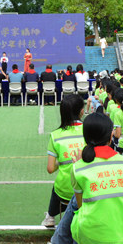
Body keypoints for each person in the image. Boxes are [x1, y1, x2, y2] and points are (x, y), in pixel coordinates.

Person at [33, 113, 123, 244]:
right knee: (83, 209)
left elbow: (81, 207)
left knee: (78, 212)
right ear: (110, 135)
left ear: (85, 137)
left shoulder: (80, 168)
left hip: (94, 234)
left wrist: (77, 165)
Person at [42, 95, 85, 228]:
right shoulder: (89, 130)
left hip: (65, 191)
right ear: (82, 111)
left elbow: (50, 169)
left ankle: (50, 216)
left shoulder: (55, 135)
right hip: (87, 189)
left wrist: (62, 161)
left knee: (59, 185)